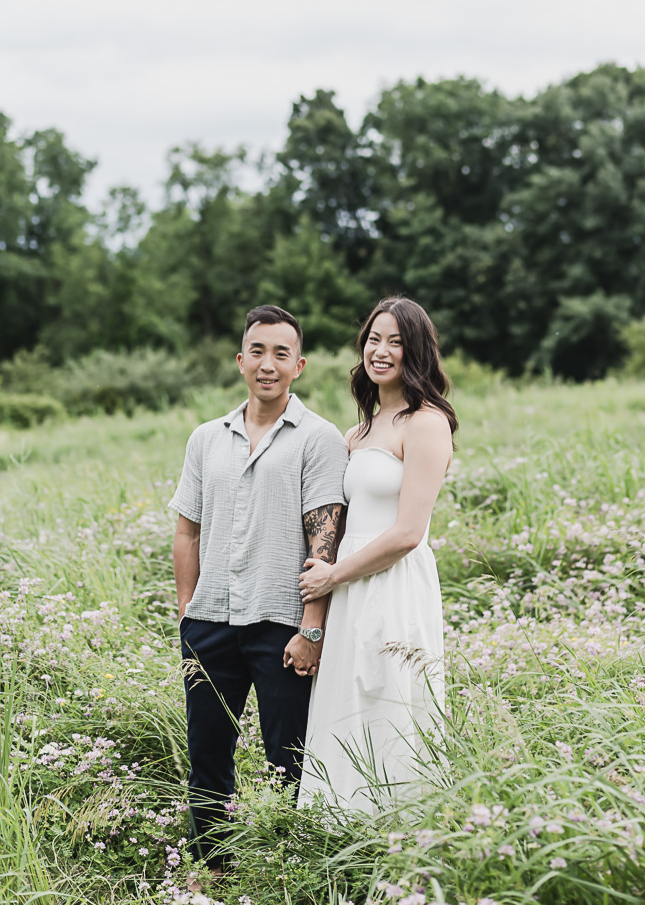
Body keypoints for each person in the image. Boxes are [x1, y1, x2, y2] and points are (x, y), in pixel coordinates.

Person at [169, 304, 348, 875]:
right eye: (257, 351)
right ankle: (215, 871)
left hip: (282, 627)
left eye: (280, 354)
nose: (266, 364)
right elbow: (187, 529)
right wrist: (187, 616)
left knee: (286, 760)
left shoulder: (318, 439)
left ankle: (284, 868)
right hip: (211, 622)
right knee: (208, 757)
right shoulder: (205, 439)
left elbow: (326, 543)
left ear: (300, 364)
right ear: (239, 359)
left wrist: (311, 627)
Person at [296, 295, 456, 810]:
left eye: (396, 341)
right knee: (347, 701)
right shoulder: (357, 432)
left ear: (417, 352)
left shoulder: (425, 422)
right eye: (373, 339)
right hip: (348, 587)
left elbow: (409, 532)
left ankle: (403, 832)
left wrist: (332, 575)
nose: (381, 351)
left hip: (393, 583)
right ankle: (338, 829)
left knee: (389, 701)